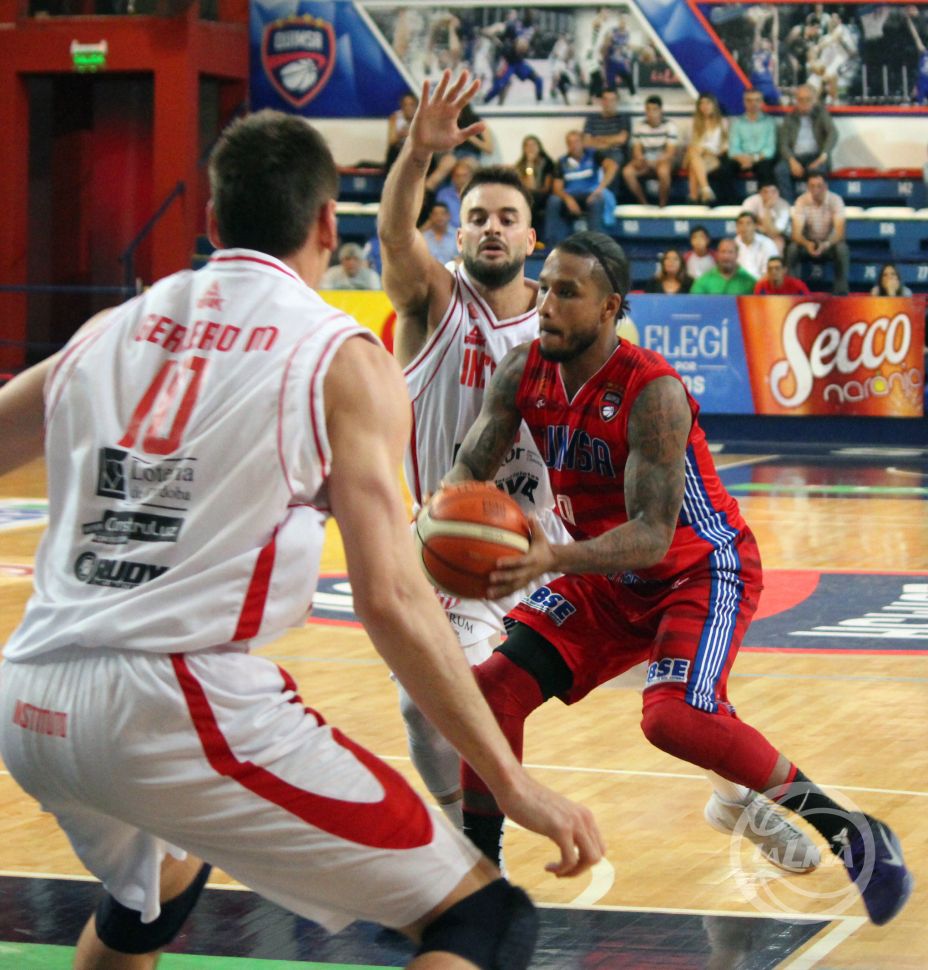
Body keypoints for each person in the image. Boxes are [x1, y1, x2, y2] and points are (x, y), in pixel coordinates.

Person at [0, 109, 607, 970]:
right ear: (328, 224)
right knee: (486, 924)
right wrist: (511, 784)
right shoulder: (338, 355)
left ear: (213, 222)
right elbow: (390, 599)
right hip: (170, 704)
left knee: (156, 892)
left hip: (29, 700)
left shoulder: (110, 329)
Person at [444, 229, 913, 928]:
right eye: (545, 288)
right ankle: (482, 879)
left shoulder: (652, 389)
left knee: (675, 718)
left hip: (698, 567)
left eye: (567, 293)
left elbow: (652, 535)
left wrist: (551, 558)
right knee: (489, 693)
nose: (546, 305)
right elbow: (470, 468)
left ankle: (851, 832)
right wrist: (446, 520)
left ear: (610, 308)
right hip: (607, 574)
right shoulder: (523, 369)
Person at [377, 70, 574, 831]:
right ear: (457, 236)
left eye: (507, 218)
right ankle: (467, 836)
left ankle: (738, 794)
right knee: (423, 705)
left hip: (552, 540)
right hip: (455, 538)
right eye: (478, 217)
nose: (492, 227)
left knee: (677, 652)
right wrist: (416, 156)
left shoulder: (568, 324)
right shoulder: (432, 300)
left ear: (531, 239)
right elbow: (395, 235)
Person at [544, 130, 618, 247]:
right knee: (553, 200)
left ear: (582, 142)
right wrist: (568, 199)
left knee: (598, 199)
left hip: (590, 193)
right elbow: (557, 188)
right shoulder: (562, 162)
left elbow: (612, 166)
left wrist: (599, 189)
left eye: (576, 141)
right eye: (570, 143)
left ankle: (597, 244)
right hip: (570, 195)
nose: (574, 145)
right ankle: (553, 244)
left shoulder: (593, 155)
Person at [786, 171, 850, 296]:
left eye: (819, 186)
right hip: (808, 243)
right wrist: (807, 244)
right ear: (808, 187)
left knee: (842, 248)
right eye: (812, 186)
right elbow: (796, 234)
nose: (816, 190)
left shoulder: (835, 200)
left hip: (828, 244)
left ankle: (841, 292)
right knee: (792, 248)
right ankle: (792, 291)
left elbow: (839, 233)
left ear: (826, 186)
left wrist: (826, 244)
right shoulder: (801, 201)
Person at [774, 84, 838, 202]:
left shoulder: (821, 114)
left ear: (815, 100)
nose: (804, 103)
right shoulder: (789, 117)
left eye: (808, 99)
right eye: (800, 100)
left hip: (816, 156)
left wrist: (823, 156)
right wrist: (792, 161)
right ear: (796, 100)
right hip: (795, 156)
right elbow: (783, 144)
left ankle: (817, 204)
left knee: (817, 172)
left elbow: (833, 134)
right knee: (780, 170)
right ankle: (789, 206)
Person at [623, 95, 680, 208]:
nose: (651, 113)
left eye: (654, 109)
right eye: (648, 109)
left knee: (663, 171)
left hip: (663, 161)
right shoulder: (639, 126)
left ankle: (662, 205)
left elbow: (670, 152)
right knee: (627, 172)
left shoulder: (670, 125)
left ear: (661, 110)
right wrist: (640, 158)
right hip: (646, 161)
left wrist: (656, 162)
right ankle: (644, 203)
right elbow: (637, 149)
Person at [683, 93, 732, 205]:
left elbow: (726, 147)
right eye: (702, 103)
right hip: (696, 156)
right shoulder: (694, 123)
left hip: (714, 157)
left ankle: (694, 197)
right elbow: (691, 145)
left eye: (708, 103)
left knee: (694, 166)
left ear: (714, 105)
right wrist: (702, 150)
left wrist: (707, 151)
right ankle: (706, 190)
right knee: (694, 155)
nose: (705, 106)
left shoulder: (723, 122)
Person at [582, 88, 630, 191]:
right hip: (595, 153)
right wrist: (610, 142)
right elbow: (586, 142)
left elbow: (622, 139)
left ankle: (608, 195)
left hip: (615, 153)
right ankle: (590, 193)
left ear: (617, 101)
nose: (608, 103)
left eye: (612, 100)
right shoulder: (592, 118)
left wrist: (598, 139)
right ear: (601, 101)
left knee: (614, 161)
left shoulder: (622, 118)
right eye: (606, 99)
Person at [728, 88, 777, 187]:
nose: (753, 104)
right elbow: (733, 149)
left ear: (762, 102)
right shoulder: (737, 123)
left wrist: (753, 159)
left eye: (757, 100)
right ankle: (730, 197)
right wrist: (742, 159)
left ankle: (764, 197)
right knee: (725, 169)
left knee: (765, 168)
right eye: (749, 100)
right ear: (744, 102)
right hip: (742, 159)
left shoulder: (769, 122)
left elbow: (770, 149)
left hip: (761, 159)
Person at [514, 134, 555, 231]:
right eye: (527, 146)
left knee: (531, 199)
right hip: (530, 195)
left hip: (544, 195)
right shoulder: (521, 165)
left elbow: (546, 187)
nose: (530, 148)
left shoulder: (547, 163)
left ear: (539, 147)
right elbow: (530, 186)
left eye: (533, 145)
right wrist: (529, 165)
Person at [691, 238, 757, 294]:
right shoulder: (703, 281)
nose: (726, 256)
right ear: (717, 254)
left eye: (730, 252)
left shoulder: (750, 282)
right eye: (723, 252)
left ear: (737, 255)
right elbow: (695, 303)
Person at [742, 182, 790, 254]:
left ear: (778, 193)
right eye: (765, 192)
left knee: (779, 242)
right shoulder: (750, 202)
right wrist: (763, 227)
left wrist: (767, 208)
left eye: (773, 192)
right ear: (760, 193)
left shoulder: (783, 206)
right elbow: (745, 224)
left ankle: (776, 261)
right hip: (755, 234)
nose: (769, 195)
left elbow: (774, 233)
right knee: (747, 237)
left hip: (774, 236)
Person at [734, 210, 779, 279]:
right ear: (737, 227)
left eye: (748, 223)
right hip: (738, 283)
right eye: (741, 223)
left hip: (761, 282)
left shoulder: (767, 244)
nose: (744, 227)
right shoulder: (733, 244)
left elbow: (771, 272)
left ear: (755, 226)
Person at [386, 92, 418, 171]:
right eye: (405, 105)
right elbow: (391, 140)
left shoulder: (421, 118)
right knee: (393, 151)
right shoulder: (395, 117)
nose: (408, 108)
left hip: (415, 151)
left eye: (411, 105)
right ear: (402, 106)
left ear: (416, 106)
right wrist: (400, 135)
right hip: (399, 150)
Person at [422, 201, 459, 266]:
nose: (439, 217)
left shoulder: (457, 236)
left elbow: (460, 260)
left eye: (442, 214)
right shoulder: (423, 237)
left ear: (448, 215)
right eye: (436, 214)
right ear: (430, 216)